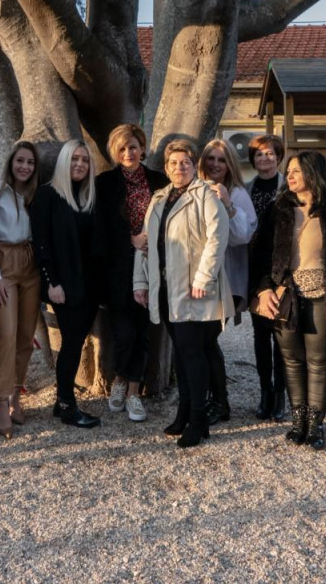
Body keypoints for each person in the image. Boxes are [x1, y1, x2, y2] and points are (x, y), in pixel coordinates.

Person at [252, 151, 326, 450]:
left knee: (319, 361)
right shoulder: (278, 209)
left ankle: (315, 424)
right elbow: (259, 254)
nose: (289, 176)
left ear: (313, 173)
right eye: (288, 170)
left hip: (323, 297)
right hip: (285, 297)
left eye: (296, 171)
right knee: (290, 360)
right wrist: (263, 290)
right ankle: (297, 420)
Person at [133, 139, 232, 448]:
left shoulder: (206, 196)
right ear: (166, 168)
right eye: (174, 163)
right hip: (166, 288)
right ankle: (184, 412)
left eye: (185, 162)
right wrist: (140, 282)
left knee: (192, 352)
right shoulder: (159, 198)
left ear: (193, 165)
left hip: (194, 289)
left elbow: (217, 239)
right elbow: (145, 243)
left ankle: (198, 420)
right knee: (180, 351)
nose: (179, 167)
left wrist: (203, 278)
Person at [95, 124, 168, 422]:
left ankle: (134, 392)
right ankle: (119, 380)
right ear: (115, 151)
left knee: (143, 332)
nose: (128, 153)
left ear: (142, 148)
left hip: (152, 266)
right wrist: (130, 239)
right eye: (122, 148)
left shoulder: (159, 181)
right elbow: (99, 228)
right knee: (123, 331)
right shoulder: (104, 183)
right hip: (119, 268)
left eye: (133, 147)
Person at [32, 139, 102, 428]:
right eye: (74, 159)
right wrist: (52, 283)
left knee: (76, 341)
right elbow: (41, 244)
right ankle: (66, 405)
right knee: (72, 343)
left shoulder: (88, 197)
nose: (80, 164)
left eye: (85, 160)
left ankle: (62, 401)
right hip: (63, 285)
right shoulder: (47, 195)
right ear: (64, 161)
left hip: (90, 285)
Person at [198, 138, 257, 424]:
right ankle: (211, 398)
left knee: (207, 339)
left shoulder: (238, 193)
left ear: (230, 164)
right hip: (200, 280)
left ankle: (220, 403)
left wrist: (228, 203)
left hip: (228, 281)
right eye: (211, 158)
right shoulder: (196, 189)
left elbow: (242, 236)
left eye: (221, 160)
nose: (215, 164)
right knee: (202, 340)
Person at [0, 141, 41, 439]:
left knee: (25, 335)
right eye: (20, 160)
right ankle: (1, 401)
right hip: (4, 263)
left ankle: (16, 394)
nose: (24, 167)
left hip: (30, 265)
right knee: (5, 334)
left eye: (30, 162)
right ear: (11, 162)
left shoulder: (34, 194)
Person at [245, 134, 288, 421]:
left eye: (270, 153)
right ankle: (265, 390)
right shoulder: (245, 189)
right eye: (259, 154)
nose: (265, 158)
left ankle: (281, 393)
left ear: (279, 157)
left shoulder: (288, 187)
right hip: (255, 266)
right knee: (260, 333)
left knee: (282, 334)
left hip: (283, 266)